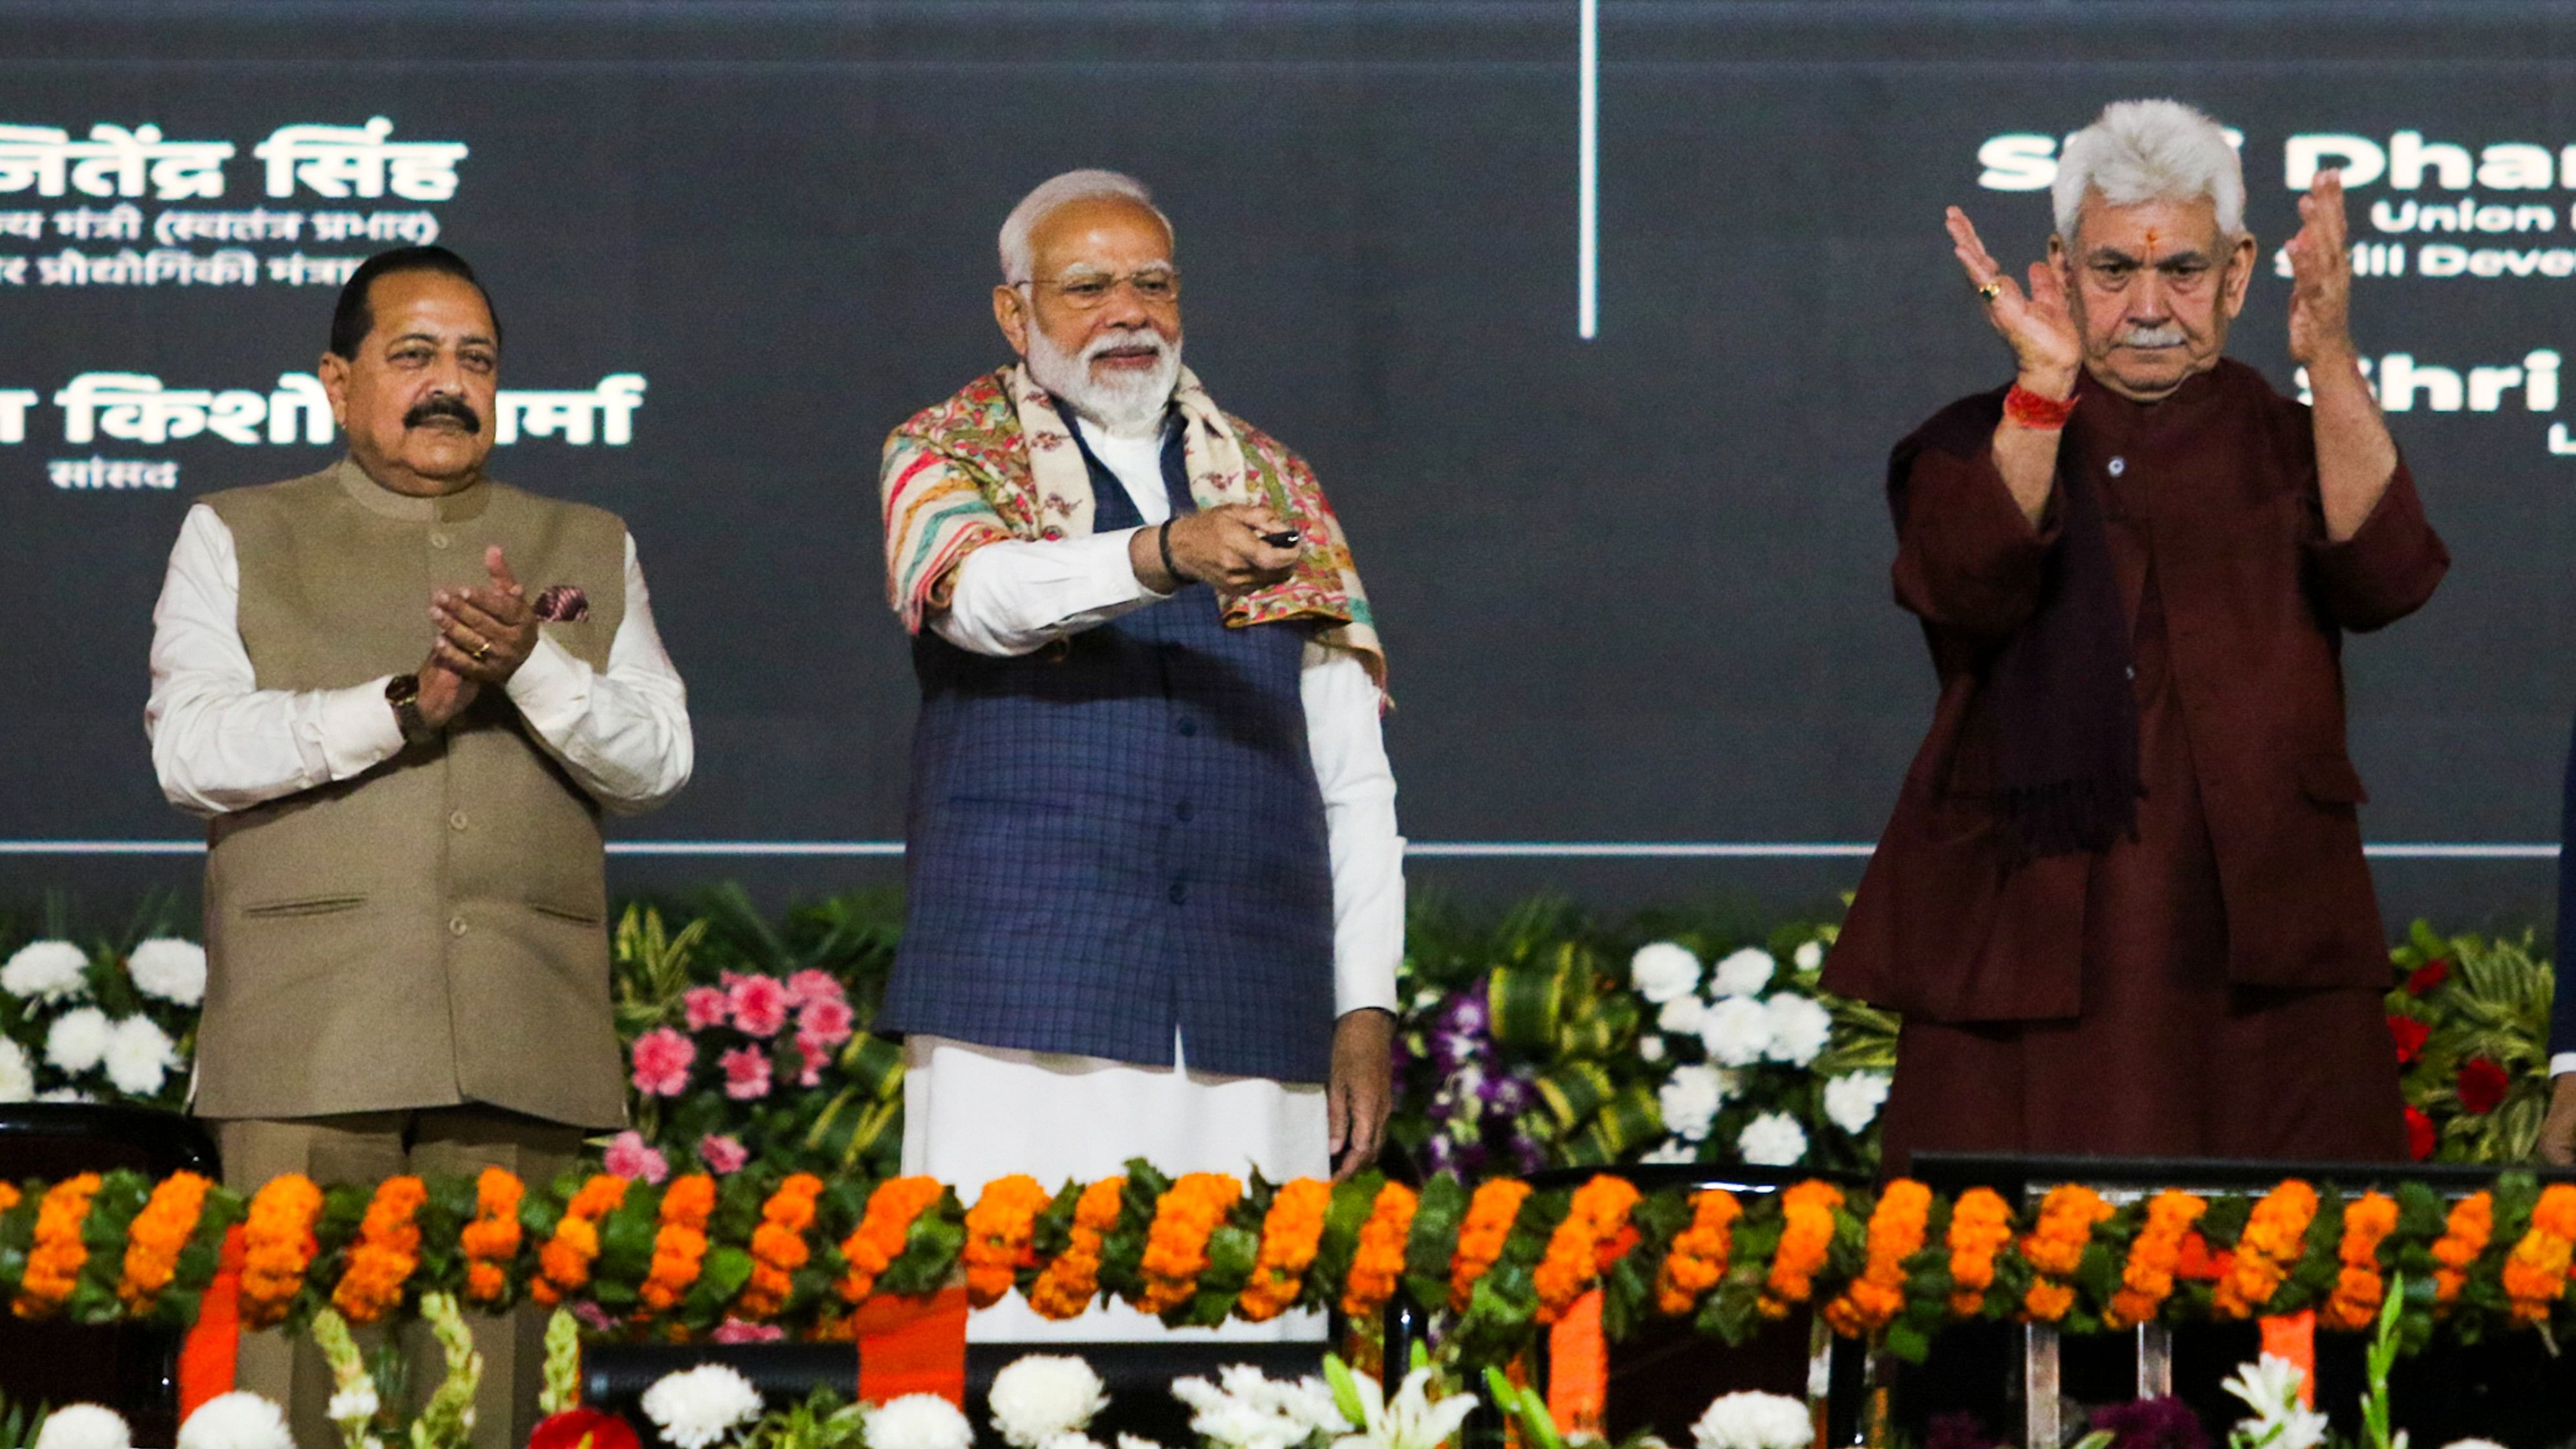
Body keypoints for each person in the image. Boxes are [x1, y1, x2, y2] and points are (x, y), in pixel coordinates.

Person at [1823, 100, 2447, 1169]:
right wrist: (2043, 394)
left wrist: (2331, 353)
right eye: (2114, 271)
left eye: (2185, 272)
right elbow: (1965, 583)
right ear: (2060, 271)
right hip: (2034, 940)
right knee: (2002, 1288)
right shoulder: (1976, 442)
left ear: (2241, 273)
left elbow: (2388, 577)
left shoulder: (2292, 444)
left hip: (2258, 950)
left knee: (2278, 1289)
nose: (2150, 306)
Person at [146, 245, 691, 1448]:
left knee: (501, 1400)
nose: (450, 383)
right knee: (298, 1397)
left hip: (520, 1035)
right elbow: (189, 750)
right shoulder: (236, 530)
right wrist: (400, 707)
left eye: (476, 360)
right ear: (337, 383)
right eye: (415, 356)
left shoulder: (587, 537)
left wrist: (531, 667)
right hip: (310, 1036)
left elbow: (657, 759)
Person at [875, 169, 1402, 1338]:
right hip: (1021, 1009)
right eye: (1089, 286)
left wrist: (1364, 1003)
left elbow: (1352, 776)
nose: (1131, 313)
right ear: (1016, 317)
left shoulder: (1274, 483)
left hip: (1250, 1009)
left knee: (1251, 1373)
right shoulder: (943, 452)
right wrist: (1165, 553)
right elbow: (982, 600)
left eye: (1154, 284)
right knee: (1020, 1359)